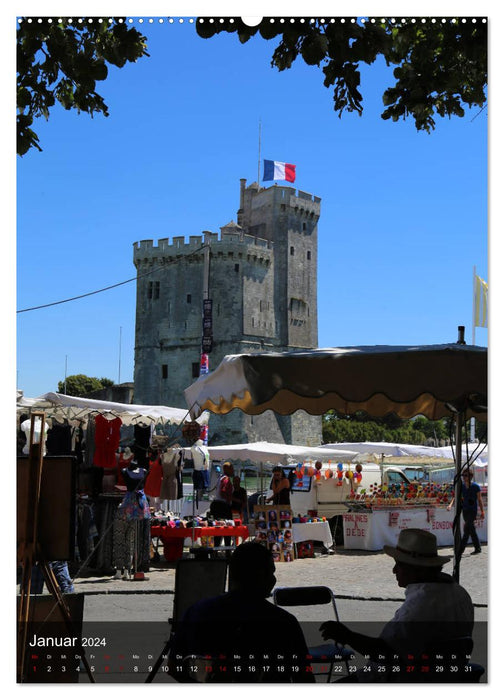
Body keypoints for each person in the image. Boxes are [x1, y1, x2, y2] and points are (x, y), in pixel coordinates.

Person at [320, 528, 474, 682]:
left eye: (399, 565)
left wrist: (348, 636)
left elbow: (387, 653)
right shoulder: (460, 594)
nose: (394, 570)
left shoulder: (421, 605)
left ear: (416, 569)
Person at [168, 542, 314, 683]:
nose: (273, 579)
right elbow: (304, 679)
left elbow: (174, 667)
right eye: (271, 572)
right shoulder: (283, 623)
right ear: (261, 575)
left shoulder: (196, 612)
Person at [448, 469, 485, 555]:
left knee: (467, 529)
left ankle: (461, 549)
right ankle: (478, 548)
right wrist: (450, 505)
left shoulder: (476, 486)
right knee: (471, 529)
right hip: (465, 510)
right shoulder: (462, 487)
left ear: (470, 477)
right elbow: (456, 496)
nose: (464, 477)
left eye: (466, 475)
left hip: (472, 511)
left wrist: (482, 511)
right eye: (463, 475)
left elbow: (479, 499)